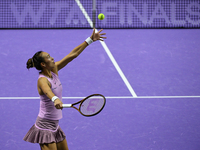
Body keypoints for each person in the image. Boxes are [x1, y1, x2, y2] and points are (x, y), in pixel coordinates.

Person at [23, 29, 106, 150]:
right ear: (43, 64)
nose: (52, 58)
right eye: (48, 57)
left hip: (55, 125)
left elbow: (72, 55)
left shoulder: (54, 70)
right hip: (45, 126)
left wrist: (90, 40)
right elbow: (48, 91)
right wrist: (55, 99)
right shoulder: (42, 80)